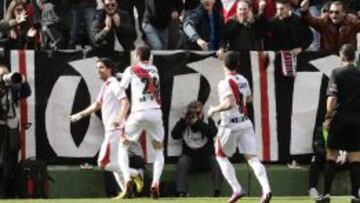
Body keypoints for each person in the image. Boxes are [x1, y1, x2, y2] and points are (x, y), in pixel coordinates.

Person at [69, 58, 143, 199]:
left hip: (116, 129)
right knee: (115, 163)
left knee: (103, 163)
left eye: (101, 67)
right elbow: (97, 104)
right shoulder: (106, 85)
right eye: (97, 67)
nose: (98, 70)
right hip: (114, 129)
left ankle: (135, 173)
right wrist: (80, 115)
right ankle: (127, 193)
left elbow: (125, 103)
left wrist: (118, 119)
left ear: (109, 69)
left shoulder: (114, 84)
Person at [208, 51, 271, 203]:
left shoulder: (224, 83)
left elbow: (229, 104)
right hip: (245, 122)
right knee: (253, 159)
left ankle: (236, 189)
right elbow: (248, 98)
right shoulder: (243, 79)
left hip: (230, 125)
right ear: (238, 65)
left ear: (224, 65)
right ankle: (266, 189)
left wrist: (213, 109)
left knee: (220, 156)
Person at [117, 46, 164, 199]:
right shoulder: (155, 69)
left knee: (122, 147)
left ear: (137, 55)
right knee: (158, 150)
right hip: (155, 113)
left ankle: (128, 179)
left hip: (138, 114)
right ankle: (155, 184)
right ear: (149, 57)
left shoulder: (131, 69)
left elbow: (122, 87)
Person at [316, 44, 360, 203]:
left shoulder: (337, 73)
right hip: (357, 119)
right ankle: (355, 196)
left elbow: (332, 99)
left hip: (340, 118)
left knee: (331, 155)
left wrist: (328, 117)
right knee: (355, 158)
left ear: (341, 57)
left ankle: (326, 194)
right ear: (354, 57)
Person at [171, 100, 223, 197]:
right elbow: (174, 135)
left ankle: (217, 192)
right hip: (190, 157)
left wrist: (197, 123)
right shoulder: (184, 122)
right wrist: (184, 122)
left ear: (202, 112)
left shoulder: (208, 120)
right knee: (182, 161)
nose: (195, 115)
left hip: (206, 156)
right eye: (192, 113)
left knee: (217, 162)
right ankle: (180, 191)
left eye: (198, 113)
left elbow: (213, 133)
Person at [0, 65, 31, 198]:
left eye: (5, 75)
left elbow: (26, 93)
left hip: (12, 128)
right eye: (0, 75)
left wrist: (22, 81)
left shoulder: (14, 87)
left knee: (11, 158)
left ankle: (10, 192)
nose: (3, 78)